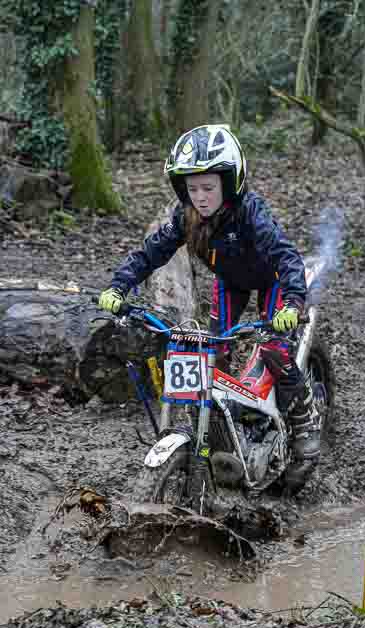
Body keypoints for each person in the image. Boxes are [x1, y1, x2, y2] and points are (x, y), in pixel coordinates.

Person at [99, 124, 319, 461]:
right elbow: (150, 252)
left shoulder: (250, 212)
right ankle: (220, 421)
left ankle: (304, 420)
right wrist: (118, 285)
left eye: (208, 187)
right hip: (229, 281)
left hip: (272, 278)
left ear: (229, 183)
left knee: (275, 349)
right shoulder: (184, 217)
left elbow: (285, 256)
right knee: (212, 349)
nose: (200, 197)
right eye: (192, 188)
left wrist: (291, 303)